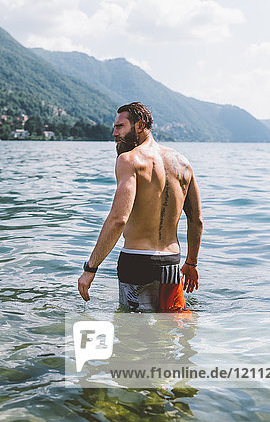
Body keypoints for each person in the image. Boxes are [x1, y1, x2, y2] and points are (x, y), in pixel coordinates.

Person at [78, 102, 203, 312]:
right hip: (172, 263)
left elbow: (119, 219)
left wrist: (90, 268)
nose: (114, 133)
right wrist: (191, 263)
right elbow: (196, 219)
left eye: (120, 127)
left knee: (132, 339)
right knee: (168, 334)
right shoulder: (183, 163)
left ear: (140, 125)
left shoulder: (129, 160)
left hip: (136, 263)